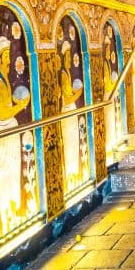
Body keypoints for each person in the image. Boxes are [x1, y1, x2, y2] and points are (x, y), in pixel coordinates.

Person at [0, 36, 30, 233]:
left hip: (10, 131)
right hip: (4, 132)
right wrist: (21, 105)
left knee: (14, 173)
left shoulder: (4, 78)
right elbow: (4, 112)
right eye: (6, 55)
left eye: (9, 54)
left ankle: (14, 212)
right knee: (7, 174)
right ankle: (7, 215)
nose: (9, 58)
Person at [58, 40, 85, 191]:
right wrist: (78, 94)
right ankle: (71, 175)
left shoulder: (67, 73)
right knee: (70, 144)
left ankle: (74, 174)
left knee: (74, 143)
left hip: (71, 110)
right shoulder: (63, 74)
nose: (69, 59)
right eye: (68, 57)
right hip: (67, 111)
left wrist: (76, 93)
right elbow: (66, 98)